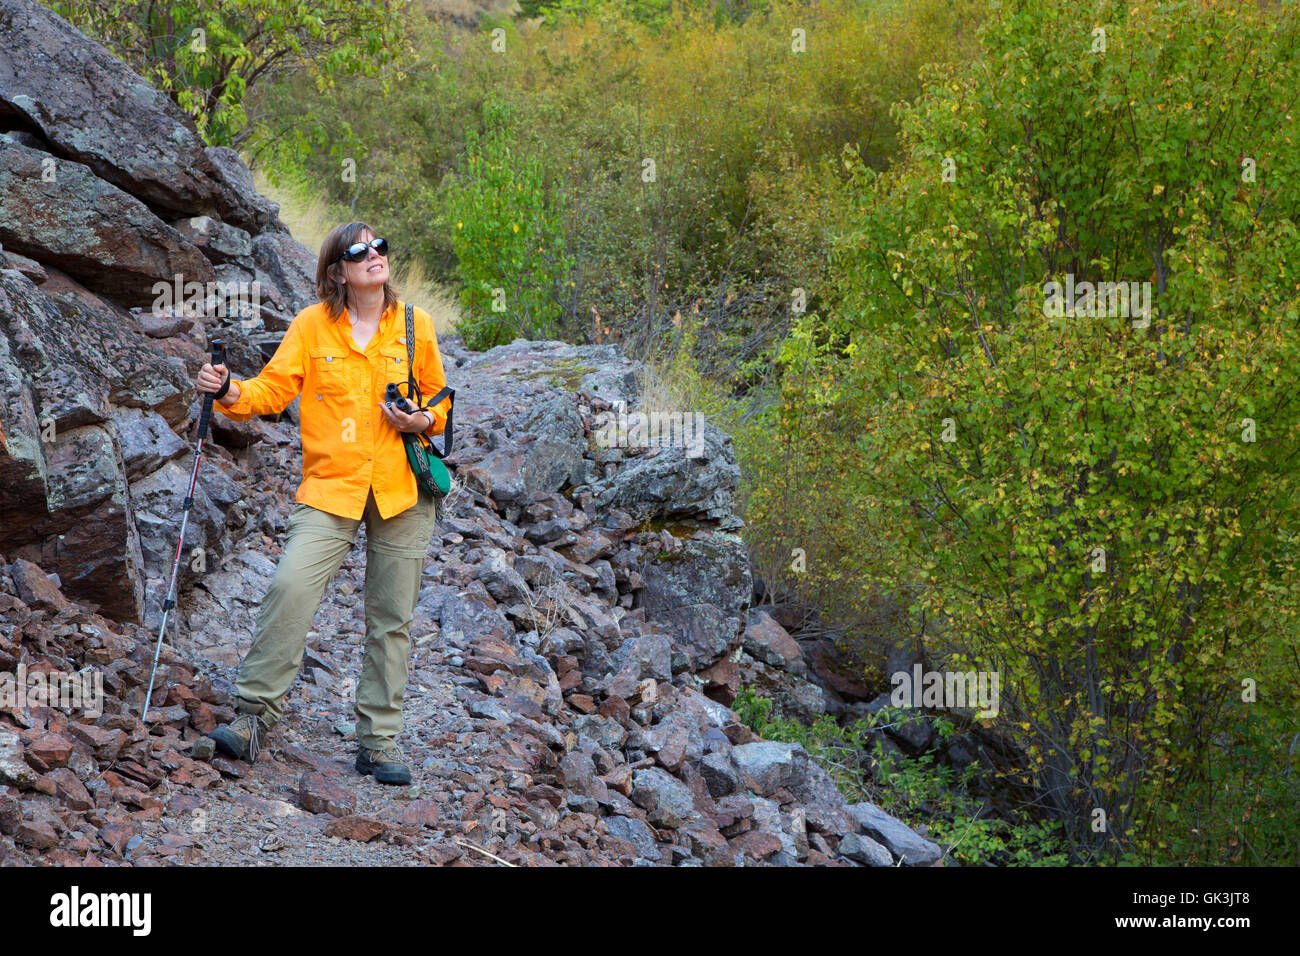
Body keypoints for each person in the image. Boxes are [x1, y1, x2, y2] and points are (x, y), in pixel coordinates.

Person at [193, 222, 452, 785]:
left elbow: (440, 402)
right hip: (332, 486)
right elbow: (272, 390)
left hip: (402, 490)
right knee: (290, 587)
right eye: (359, 250)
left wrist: (420, 420)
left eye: (380, 246)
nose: (374, 255)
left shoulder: (416, 325)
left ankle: (378, 742)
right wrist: (229, 389)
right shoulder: (312, 325)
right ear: (337, 271)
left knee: (392, 618)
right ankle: (253, 718)